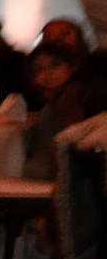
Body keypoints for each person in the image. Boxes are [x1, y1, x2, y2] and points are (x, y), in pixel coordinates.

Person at [22, 42, 107, 180]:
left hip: (76, 168)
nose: (48, 73)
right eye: (40, 69)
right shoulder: (52, 97)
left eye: (55, 65)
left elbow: (72, 136)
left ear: (72, 67)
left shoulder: (73, 94)